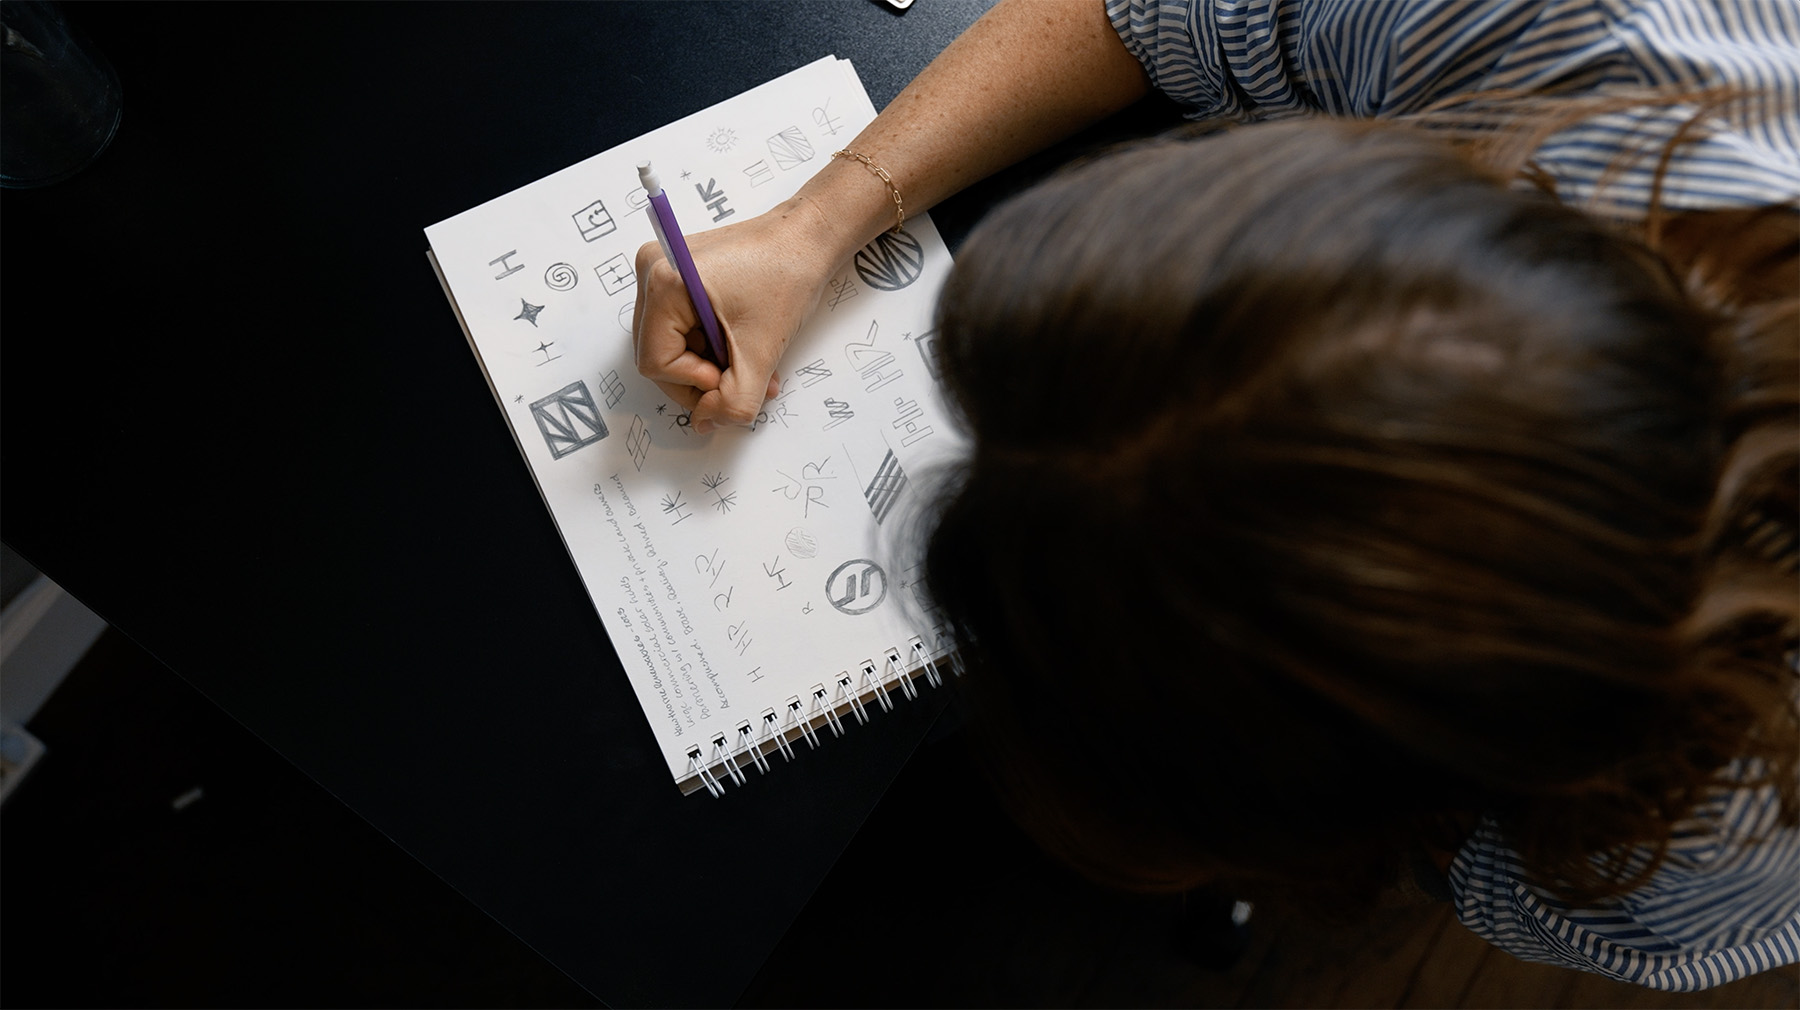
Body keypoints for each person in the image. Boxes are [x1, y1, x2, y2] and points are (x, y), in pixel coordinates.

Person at [630, 0, 1800, 991]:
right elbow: (1170, 10)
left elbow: (1451, 859)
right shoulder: (1573, 31)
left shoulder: (1698, 866)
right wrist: (814, 220)